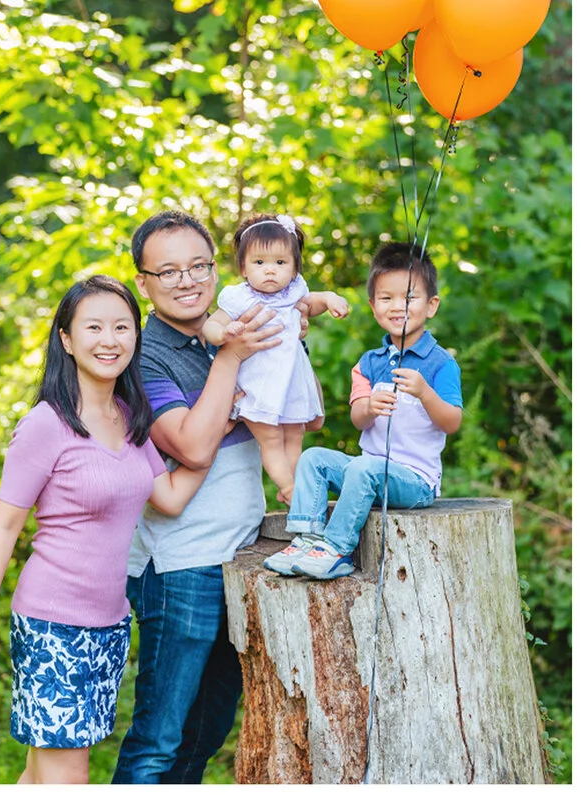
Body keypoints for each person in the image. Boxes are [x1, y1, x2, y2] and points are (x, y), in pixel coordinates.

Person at [0, 276, 213, 783]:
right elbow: (5, 526)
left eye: (122, 326)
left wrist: (216, 427)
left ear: (136, 337)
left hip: (110, 625)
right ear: (67, 339)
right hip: (54, 625)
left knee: (42, 774)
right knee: (67, 776)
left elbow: (170, 498)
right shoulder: (45, 425)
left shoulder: (128, 418)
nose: (109, 339)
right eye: (93, 327)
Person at [111, 210, 331, 783]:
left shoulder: (239, 322)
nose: (187, 281)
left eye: (198, 266)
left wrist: (284, 352)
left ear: (217, 268)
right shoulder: (143, 355)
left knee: (205, 735)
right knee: (160, 738)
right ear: (144, 283)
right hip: (181, 566)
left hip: (237, 558)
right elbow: (191, 446)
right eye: (169, 271)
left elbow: (293, 417)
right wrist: (233, 358)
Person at [265, 242, 463, 581]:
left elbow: (452, 422)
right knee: (313, 459)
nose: (398, 306)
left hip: (414, 481)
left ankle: (336, 548)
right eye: (386, 298)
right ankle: (306, 539)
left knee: (365, 469)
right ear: (373, 307)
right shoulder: (369, 364)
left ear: (431, 306)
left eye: (409, 297)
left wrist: (425, 393)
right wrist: (369, 407)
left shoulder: (440, 364)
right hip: (366, 471)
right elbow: (358, 417)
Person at [200, 213, 348, 509]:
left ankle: (291, 483)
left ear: (294, 269)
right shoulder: (238, 298)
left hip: (293, 381)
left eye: (280, 263)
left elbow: (313, 302)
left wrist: (330, 299)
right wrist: (223, 332)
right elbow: (210, 325)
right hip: (260, 383)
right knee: (270, 440)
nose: (270, 271)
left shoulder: (295, 292)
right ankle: (291, 488)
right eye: (260, 263)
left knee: (294, 436)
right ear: (243, 267)